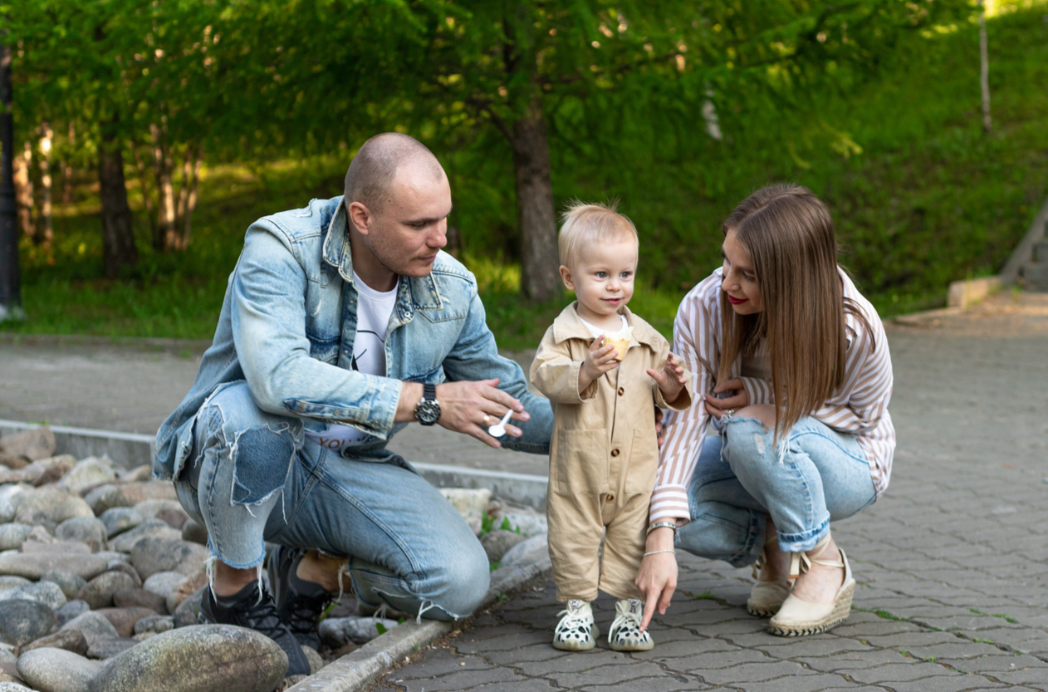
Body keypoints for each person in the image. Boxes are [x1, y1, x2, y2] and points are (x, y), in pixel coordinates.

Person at [153, 133, 554, 676]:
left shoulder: (451, 288)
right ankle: (235, 592)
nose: (439, 239)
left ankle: (313, 571)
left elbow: (506, 402)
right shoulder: (280, 249)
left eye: (443, 219)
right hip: (235, 460)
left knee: (459, 581)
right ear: (361, 217)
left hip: (341, 470)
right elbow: (277, 379)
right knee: (249, 416)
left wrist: (614, 424)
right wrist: (427, 400)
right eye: (419, 225)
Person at [635, 184, 894, 637]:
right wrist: (660, 534)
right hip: (755, 450)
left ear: (791, 278)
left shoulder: (852, 325)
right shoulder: (702, 308)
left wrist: (771, 404)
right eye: (725, 261)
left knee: (750, 429)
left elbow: (865, 414)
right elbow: (686, 422)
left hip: (850, 463)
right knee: (651, 498)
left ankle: (825, 561)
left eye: (749, 275)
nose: (727, 283)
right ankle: (775, 549)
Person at [530, 202, 693, 652]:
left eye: (626, 274)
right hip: (578, 464)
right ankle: (577, 609)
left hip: (635, 465)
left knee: (630, 535)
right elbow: (542, 374)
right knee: (573, 534)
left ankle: (626, 611)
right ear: (569, 278)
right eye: (601, 275)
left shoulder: (646, 337)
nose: (616, 285)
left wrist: (673, 385)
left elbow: (670, 396)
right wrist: (582, 372)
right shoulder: (563, 335)